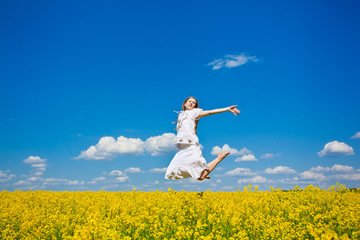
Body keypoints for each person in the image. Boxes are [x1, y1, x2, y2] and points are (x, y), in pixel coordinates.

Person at [165, 97, 240, 181]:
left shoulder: (194, 112)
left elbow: (209, 112)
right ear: (185, 104)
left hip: (191, 146)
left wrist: (226, 109)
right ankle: (204, 171)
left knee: (201, 177)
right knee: (171, 171)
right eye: (189, 101)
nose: (191, 103)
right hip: (182, 147)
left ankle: (219, 158)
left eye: (193, 103)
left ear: (195, 106)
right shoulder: (180, 115)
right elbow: (194, 128)